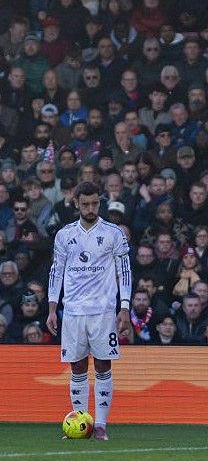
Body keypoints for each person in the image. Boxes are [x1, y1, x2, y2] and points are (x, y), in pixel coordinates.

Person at [46, 182, 132, 440]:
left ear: (100, 203)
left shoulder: (113, 233)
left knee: (104, 365)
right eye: (85, 204)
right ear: (76, 203)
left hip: (103, 311)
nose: (91, 208)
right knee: (77, 366)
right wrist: (52, 307)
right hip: (72, 311)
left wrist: (124, 307)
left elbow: (124, 271)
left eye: (95, 203)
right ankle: (82, 422)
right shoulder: (64, 235)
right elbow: (56, 271)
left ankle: (102, 425)